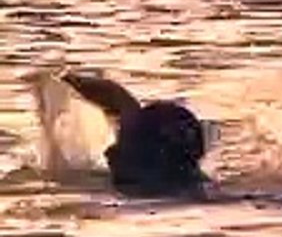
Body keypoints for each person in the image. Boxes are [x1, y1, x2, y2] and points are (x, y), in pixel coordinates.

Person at [55, 72, 210, 198]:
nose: (109, 153)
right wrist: (65, 79)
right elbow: (122, 102)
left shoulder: (141, 196)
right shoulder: (180, 175)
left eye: (121, 148)